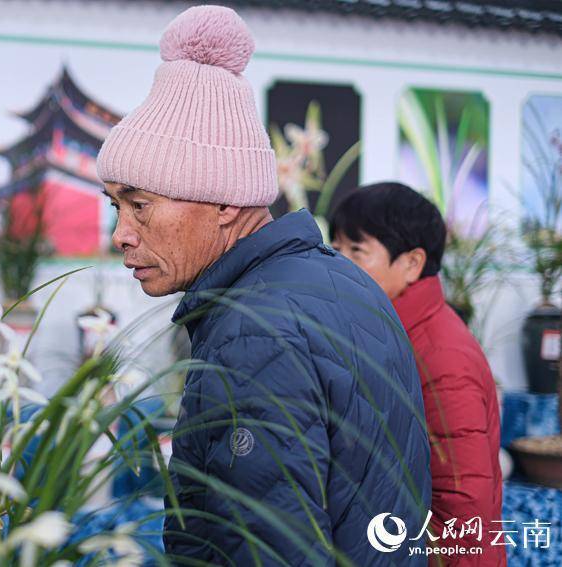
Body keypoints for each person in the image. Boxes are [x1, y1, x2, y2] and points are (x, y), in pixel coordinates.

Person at [96, 5, 431, 565]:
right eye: (115, 206)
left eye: (140, 205)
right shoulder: (341, 278)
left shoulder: (254, 333)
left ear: (225, 203)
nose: (121, 234)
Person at [330, 182, 504, 566]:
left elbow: (463, 508)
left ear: (412, 263)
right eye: (336, 248)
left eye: (357, 251)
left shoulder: (441, 358)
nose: (338, 264)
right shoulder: (388, 331)